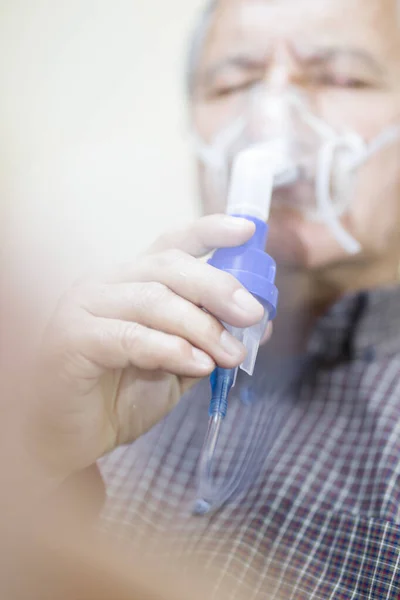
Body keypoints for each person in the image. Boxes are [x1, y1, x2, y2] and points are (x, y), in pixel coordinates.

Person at [9, 0, 400, 598]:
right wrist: (36, 464)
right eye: (233, 82)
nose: (270, 124)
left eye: (339, 77)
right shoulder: (118, 370)